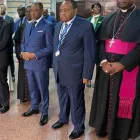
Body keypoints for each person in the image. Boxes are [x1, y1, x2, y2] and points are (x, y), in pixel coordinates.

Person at [89, 0, 140, 139]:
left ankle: (122, 131)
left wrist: (123, 64)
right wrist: (103, 62)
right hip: (106, 68)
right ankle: (103, 126)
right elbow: (101, 42)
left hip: (128, 68)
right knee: (105, 97)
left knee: (124, 100)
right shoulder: (109, 18)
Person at [51, 1, 96, 139]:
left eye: (66, 10)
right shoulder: (58, 25)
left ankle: (78, 126)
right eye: (60, 11)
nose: (62, 13)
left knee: (76, 99)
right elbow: (57, 47)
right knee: (62, 96)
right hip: (59, 69)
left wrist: (87, 74)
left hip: (75, 71)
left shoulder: (85, 26)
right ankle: (63, 118)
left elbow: (90, 52)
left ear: (75, 11)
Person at [21, 2, 54, 126]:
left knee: (43, 89)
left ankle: (44, 112)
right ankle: (34, 106)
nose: (32, 13)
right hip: (28, 63)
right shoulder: (28, 25)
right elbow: (23, 42)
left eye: (35, 11)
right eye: (30, 11)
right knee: (32, 87)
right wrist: (23, 52)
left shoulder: (48, 25)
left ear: (41, 11)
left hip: (40, 63)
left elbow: (50, 47)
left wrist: (35, 55)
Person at [14, 6, 31, 103]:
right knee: (22, 76)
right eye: (27, 12)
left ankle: (33, 96)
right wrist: (18, 53)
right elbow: (16, 42)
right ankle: (23, 95)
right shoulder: (21, 27)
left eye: (30, 12)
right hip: (22, 55)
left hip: (33, 57)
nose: (28, 14)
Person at [86, 2, 104, 88]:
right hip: (89, 45)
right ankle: (88, 80)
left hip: (98, 45)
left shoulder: (103, 19)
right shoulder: (88, 20)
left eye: (98, 7)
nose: (97, 8)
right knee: (88, 63)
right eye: (95, 7)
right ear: (92, 9)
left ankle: (96, 82)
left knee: (98, 64)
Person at [0, 4, 15, 82]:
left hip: (8, 43)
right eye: (0, 8)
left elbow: (12, 30)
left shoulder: (10, 19)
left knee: (10, 59)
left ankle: (12, 75)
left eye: (2, 7)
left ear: (5, 8)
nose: (1, 9)